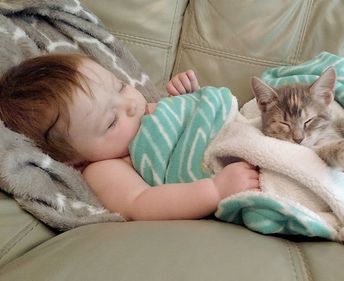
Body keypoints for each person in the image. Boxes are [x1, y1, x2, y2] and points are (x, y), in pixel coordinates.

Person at [0, 53, 260, 220]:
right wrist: (215, 190)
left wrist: (190, 99)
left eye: (121, 86)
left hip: (245, 125)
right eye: (111, 121)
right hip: (232, 169)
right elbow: (142, 204)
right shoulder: (105, 168)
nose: (131, 104)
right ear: (72, 159)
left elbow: (190, 130)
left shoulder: (138, 118)